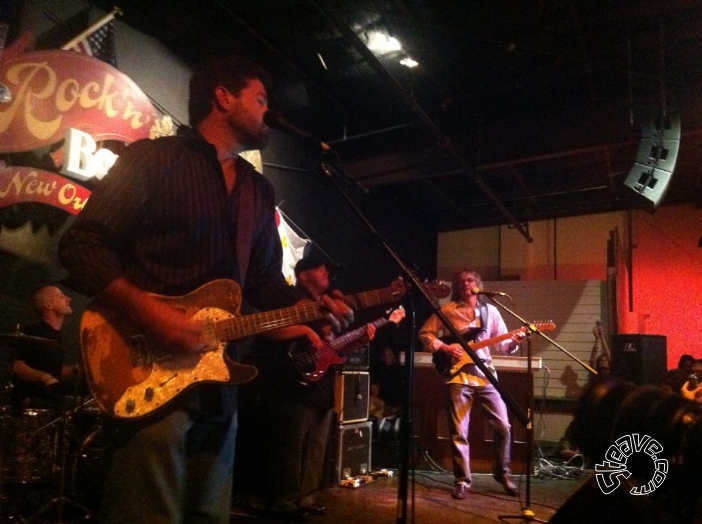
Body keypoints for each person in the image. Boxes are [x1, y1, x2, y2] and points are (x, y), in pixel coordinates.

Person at [58, 54, 353, 524]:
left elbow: (262, 281)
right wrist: (148, 313)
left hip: (217, 385)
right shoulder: (153, 159)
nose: (267, 110)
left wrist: (312, 307)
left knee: (209, 515)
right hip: (146, 376)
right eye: (259, 99)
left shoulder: (258, 190)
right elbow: (81, 245)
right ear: (223, 98)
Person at [251, 255, 375, 519]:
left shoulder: (328, 306)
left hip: (320, 384)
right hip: (290, 383)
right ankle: (283, 503)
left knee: (316, 447)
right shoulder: (287, 296)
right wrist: (304, 331)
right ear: (304, 274)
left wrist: (355, 341)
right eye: (321, 268)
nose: (327, 272)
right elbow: (266, 329)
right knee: (290, 447)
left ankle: (305, 498)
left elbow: (331, 347)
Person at [418, 269, 521, 500]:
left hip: (485, 375)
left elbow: (503, 345)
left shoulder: (491, 311)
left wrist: (514, 342)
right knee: (459, 432)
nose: (466, 284)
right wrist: (445, 347)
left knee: (503, 426)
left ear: (478, 284)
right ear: (456, 286)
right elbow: (425, 334)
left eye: (470, 280)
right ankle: (462, 480)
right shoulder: (447, 311)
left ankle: (502, 473)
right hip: (458, 377)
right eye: (461, 281)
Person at [12, 285, 80, 409]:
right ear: (48, 305)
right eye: (61, 296)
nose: (68, 299)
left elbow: (54, 370)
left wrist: (76, 369)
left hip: (50, 396)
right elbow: (16, 366)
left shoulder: (57, 335)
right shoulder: (33, 331)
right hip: (34, 398)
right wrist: (44, 377)